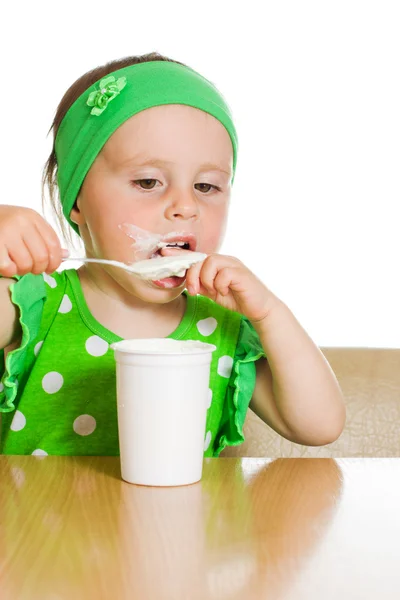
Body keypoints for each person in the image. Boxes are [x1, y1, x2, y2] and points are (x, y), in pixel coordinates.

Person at [0, 52, 345, 456]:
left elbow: (320, 426)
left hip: (181, 521)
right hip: (40, 519)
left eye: (206, 187)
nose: (186, 206)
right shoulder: (31, 303)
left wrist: (269, 313)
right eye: (148, 181)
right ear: (77, 201)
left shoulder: (221, 327)